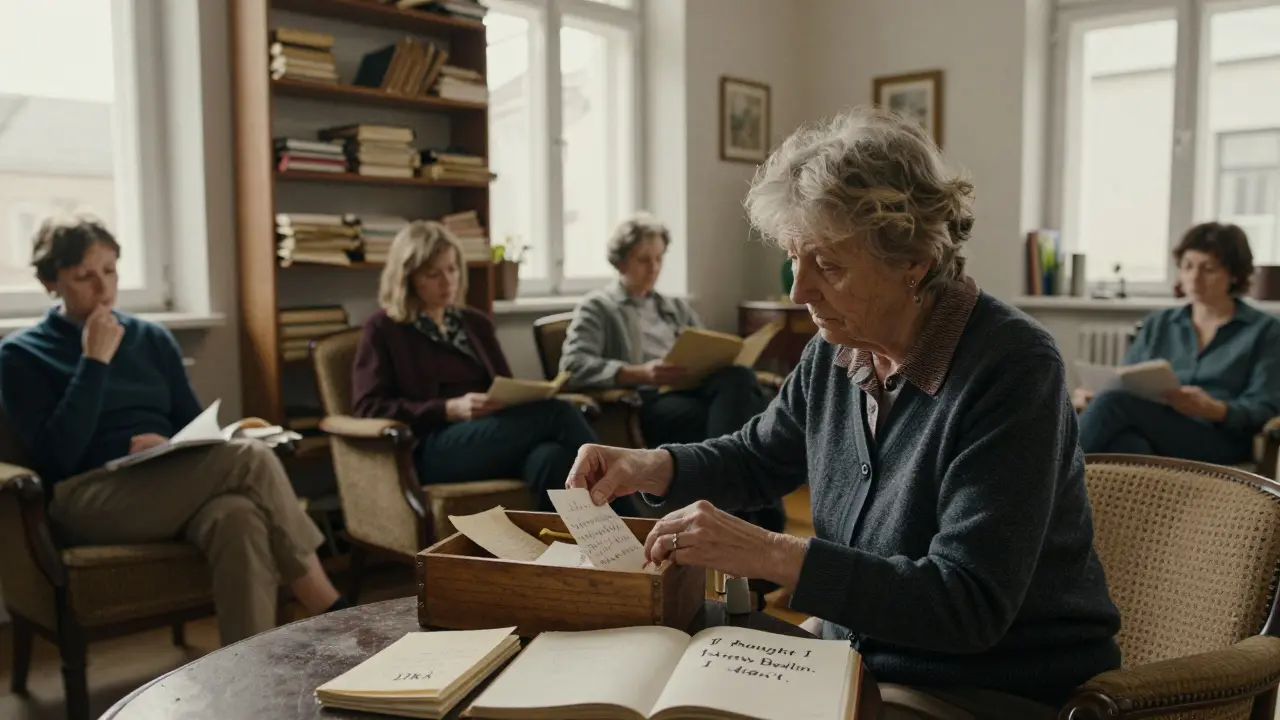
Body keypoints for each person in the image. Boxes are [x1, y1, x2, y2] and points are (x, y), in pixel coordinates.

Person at [565, 108, 1121, 720]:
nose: (799, 292)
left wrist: (772, 553)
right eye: (793, 259)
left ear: (914, 260)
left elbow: (966, 606)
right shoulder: (838, 351)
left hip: (984, 686)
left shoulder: (1013, 367)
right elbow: (757, 458)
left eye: (827, 265)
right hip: (853, 662)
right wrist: (649, 465)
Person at [0, 217, 346, 646]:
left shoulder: (151, 338)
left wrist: (167, 447)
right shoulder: (20, 355)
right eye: (84, 276)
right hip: (86, 497)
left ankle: (251, 671)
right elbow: (55, 459)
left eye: (110, 272)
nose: (103, 288)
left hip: (164, 481)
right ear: (50, 282)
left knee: (237, 517)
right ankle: (325, 604)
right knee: (249, 459)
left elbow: (192, 423)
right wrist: (94, 363)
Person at [351, 220, 619, 513]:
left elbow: (504, 383)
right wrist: (448, 408)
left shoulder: (474, 323)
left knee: (550, 457)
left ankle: (564, 552)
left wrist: (520, 395)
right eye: (433, 273)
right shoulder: (384, 329)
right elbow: (368, 407)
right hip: (434, 445)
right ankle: (632, 526)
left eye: (452, 269)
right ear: (408, 278)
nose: (447, 281)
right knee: (560, 413)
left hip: (493, 435)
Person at [559, 213, 786, 534]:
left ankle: (728, 509)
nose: (654, 269)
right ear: (621, 263)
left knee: (738, 378)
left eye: (659, 259)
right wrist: (642, 372)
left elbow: (709, 344)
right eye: (643, 260)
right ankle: (757, 515)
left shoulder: (673, 307)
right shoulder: (599, 307)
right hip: (650, 402)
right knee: (747, 411)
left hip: (697, 390)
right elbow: (573, 365)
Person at [1077, 222, 1280, 464]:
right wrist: (1096, 396)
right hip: (1160, 430)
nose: (1195, 277)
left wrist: (1215, 409)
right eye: (1188, 266)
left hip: (1221, 438)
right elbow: (1125, 380)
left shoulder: (1265, 331)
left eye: (1209, 268)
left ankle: (1044, 479)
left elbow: (1265, 407)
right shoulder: (1159, 323)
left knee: (1113, 405)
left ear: (1233, 275)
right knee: (1127, 443)